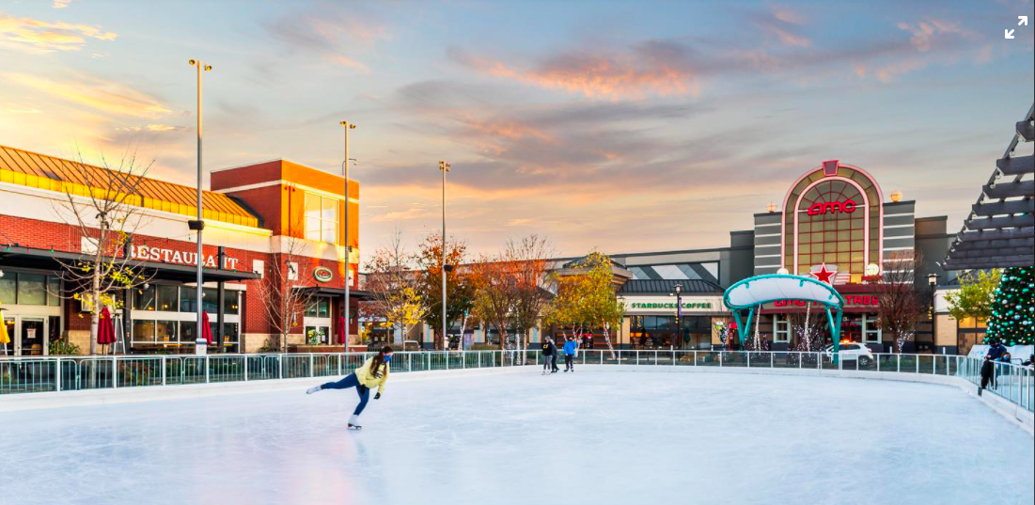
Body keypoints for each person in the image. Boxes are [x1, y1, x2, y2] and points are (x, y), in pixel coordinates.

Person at [306, 346, 393, 430]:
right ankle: (319, 387)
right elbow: (363, 372)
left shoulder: (386, 365)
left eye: (391, 356)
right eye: (389, 355)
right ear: (383, 353)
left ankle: (353, 420)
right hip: (356, 378)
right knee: (337, 385)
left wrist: (379, 392)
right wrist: (362, 384)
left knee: (364, 401)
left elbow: (384, 379)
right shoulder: (372, 360)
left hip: (365, 385)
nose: (390, 358)